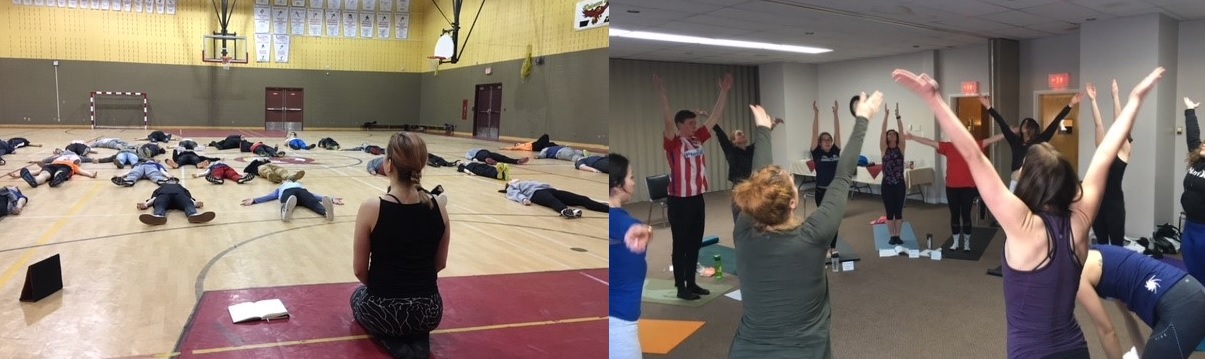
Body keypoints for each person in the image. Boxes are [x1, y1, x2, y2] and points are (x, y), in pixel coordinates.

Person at [894, 67, 1162, 359]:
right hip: (1075, 348)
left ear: (1028, 181)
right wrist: (1135, 99)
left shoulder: (1023, 226)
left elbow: (972, 155)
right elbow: (1105, 155)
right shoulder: (1080, 221)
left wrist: (934, 99)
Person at [729, 95, 878, 358]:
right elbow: (842, 176)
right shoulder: (814, 235)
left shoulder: (743, 231)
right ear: (794, 202)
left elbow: (757, 182)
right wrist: (862, 119)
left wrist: (763, 131)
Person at [350, 132, 450, 359]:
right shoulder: (439, 207)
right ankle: (418, 335)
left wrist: (384, 288)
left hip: (386, 310)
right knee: (412, 312)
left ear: (388, 164)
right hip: (430, 311)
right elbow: (440, 263)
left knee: (356, 297)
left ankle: (392, 338)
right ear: (422, 164)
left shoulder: (371, 207)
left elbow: (359, 270)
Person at [982, 85, 1082, 277]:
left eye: (1026, 124)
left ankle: (1034, 257)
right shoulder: (1015, 141)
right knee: (1010, 221)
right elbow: (1002, 124)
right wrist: (989, 108)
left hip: (1033, 186)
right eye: (1022, 124)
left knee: (1032, 220)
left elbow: (1055, 123)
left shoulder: (1041, 140)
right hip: (1015, 184)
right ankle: (1010, 259)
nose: (1023, 126)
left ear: (1032, 128)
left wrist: (1070, 104)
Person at [654, 72, 732, 300]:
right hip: (679, 201)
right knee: (681, 245)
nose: (694, 126)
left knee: (695, 242)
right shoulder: (673, 142)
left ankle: (692, 282)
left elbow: (715, 117)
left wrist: (724, 92)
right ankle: (681, 288)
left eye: (695, 123)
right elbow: (668, 121)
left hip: (697, 198)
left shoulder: (697, 138)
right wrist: (662, 95)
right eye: (690, 123)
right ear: (680, 125)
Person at [1077, 245, 1205, 359]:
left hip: (1183, 306)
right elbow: (1128, 318)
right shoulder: (1096, 254)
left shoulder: (1079, 275)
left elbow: (1107, 332)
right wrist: (1142, 353)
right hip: (1191, 291)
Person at [904, 131, 1005, 251]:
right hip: (952, 188)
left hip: (968, 188)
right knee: (955, 215)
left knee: (966, 215)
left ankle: (967, 243)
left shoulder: (973, 146)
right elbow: (930, 142)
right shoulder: (949, 147)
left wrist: (1008, 132)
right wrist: (913, 137)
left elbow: (991, 139)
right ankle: (955, 242)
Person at [609, 153, 653, 359]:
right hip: (619, 324)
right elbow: (623, 226)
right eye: (631, 177)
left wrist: (645, 231)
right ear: (618, 186)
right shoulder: (620, 221)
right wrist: (632, 230)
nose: (634, 183)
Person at [713, 115, 783, 221]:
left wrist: (773, 124)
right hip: (739, 187)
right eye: (739, 134)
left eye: (743, 133)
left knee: (754, 213)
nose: (743, 135)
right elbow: (721, 136)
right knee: (739, 215)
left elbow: (762, 139)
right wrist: (710, 118)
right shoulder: (731, 151)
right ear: (733, 141)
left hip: (752, 185)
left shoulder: (751, 149)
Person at [1087, 81, 1132, 246]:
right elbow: (1098, 124)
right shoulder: (1102, 151)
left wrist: (1115, 97)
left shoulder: (1124, 152)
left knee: (1117, 244)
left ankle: (1118, 271)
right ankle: (1103, 271)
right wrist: (1093, 101)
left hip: (1114, 206)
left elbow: (1120, 123)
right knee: (1101, 243)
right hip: (1098, 204)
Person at [810, 100, 844, 258]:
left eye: (829, 140)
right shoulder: (817, 153)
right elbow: (814, 131)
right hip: (821, 192)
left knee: (834, 220)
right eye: (825, 140)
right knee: (824, 221)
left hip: (835, 193)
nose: (828, 142)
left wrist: (836, 114)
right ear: (819, 143)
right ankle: (824, 246)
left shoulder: (836, 151)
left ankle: (833, 246)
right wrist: (816, 114)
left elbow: (838, 133)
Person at [1182, 97, 1205, 313]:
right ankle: (1198, 319)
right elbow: (1193, 137)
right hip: (1190, 228)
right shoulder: (1198, 160)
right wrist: (1189, 111)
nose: (1203, 145)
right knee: (1193, 275)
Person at [241, 180, 342, 222]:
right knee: (288, 200)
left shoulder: (299, 185)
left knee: (312, 202)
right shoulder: (281, 187)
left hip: (301, 192)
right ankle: (285, 211)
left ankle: (326, 212)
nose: (287, 180)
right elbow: (270, 196)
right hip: (288, 193)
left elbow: (313, 195)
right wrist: (255, 200)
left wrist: (332, 199)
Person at [500, 179, 607, 218]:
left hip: (551, 190)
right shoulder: (511, 187)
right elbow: (514, 194)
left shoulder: (525, 181)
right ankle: (565, 211)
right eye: (511, 180)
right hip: (536, 194)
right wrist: (523, 199)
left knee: (582, 199)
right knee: (552, 201)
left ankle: (608, 209)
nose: (513, 179)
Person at [879, 103, 908, 245]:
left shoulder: (901, 147)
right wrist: (886, 116)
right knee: (889, 212)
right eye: (888, 134)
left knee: (899, 211)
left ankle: (898, 235)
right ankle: (892, 235)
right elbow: (882, 131)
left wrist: (898, 116)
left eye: (893, 133)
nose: (890, 135)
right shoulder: (884, 149)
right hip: (887, 184)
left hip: (899, 184)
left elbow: (902, 132)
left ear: (896, 137)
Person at [134, 177, 216, 225]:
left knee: (187, 203)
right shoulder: (162, 187)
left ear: (176, 182)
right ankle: (158, 217)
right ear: (167, 181)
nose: (171, 180)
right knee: (160, 204)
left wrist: (195, 203)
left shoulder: (180, 186)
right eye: (170, 179)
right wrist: (146, 204)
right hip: (164, 196)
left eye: (173, 179)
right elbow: (155, 197)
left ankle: (194, 215)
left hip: (179, 195)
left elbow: (188, 197)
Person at [14, 155, 98, 188]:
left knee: (45, 174)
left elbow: (82, 171)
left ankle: (37, 181)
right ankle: (36, 181)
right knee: (46, 173)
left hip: (57, 167)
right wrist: (19, 175)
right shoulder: (70, 164)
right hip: (58, 167)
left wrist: (91, 174)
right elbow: (37, 171)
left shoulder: (70, 164)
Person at [465, 148, 530, 165]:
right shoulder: (470, 151)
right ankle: (489, 160)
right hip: (479, 154)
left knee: (501, 157)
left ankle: (517, 161)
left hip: (487, 152)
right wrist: (473, 158)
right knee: (485, 156)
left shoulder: (474, 149)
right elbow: (467, 155)